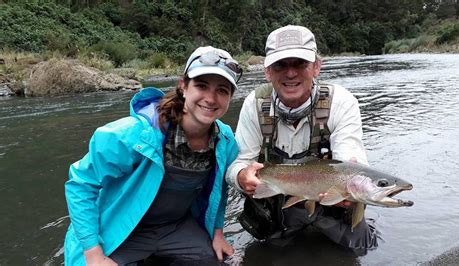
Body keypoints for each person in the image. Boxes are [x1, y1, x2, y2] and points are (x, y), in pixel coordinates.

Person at [64, 46, 243, 266]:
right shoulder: (129, 135)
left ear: (230, 98)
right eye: (202, 86)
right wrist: (93, 254)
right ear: (183, 87)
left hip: (174, 227)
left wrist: (217, 233)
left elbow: (220, 189)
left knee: (213, 261)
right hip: (122, 230)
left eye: (222, 90)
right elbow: (81, 185)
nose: (211, 98)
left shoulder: (225, 141)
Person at [226, 25, 378, 250]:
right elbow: (236, 165)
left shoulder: (342, 103)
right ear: (267, 71)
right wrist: (241, 177)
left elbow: (351, 161)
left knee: (361, 244)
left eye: (300, 63)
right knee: (265, 254)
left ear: (317, 67)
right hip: (278, 204)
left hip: (329, 201)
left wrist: (350, 190)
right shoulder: (254, 105)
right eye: (280, 65)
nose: (290, 73)